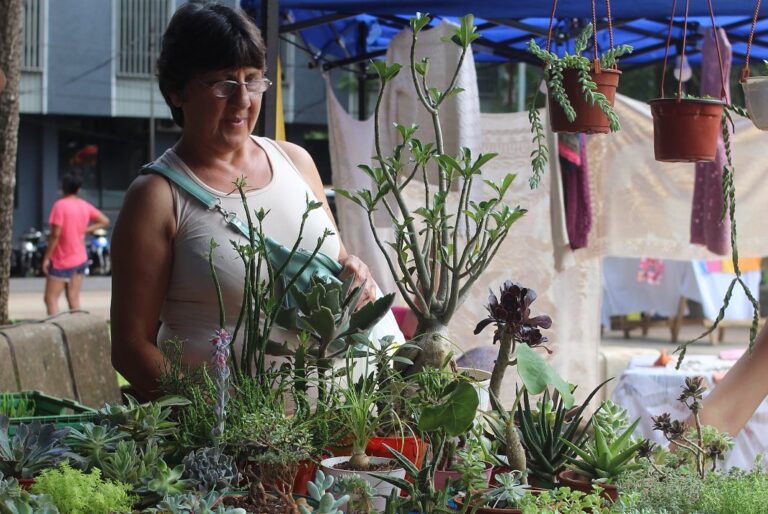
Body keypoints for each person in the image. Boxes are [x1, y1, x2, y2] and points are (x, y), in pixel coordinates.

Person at [110, 3, 383, 400]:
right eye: (223, 83)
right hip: (229, 450)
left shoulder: (296, 162)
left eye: (252, 80)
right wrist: (222, 417)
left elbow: (336, 260)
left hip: (341, 434)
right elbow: (131, 349)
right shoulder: (156, 197)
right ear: (177, 90)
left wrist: (353, 269)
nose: (243, 101)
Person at [41, 173, 110, 315]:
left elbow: (55, 235)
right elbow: (105, 221)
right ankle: (79, 332)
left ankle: (54, 333)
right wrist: (85, 229)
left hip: (62, 260)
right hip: (79, 259)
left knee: (51, 298)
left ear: (63, 188)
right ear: (78, 189)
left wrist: (47, 258)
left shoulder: (59, 206)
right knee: (73, 298)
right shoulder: (84, 205)